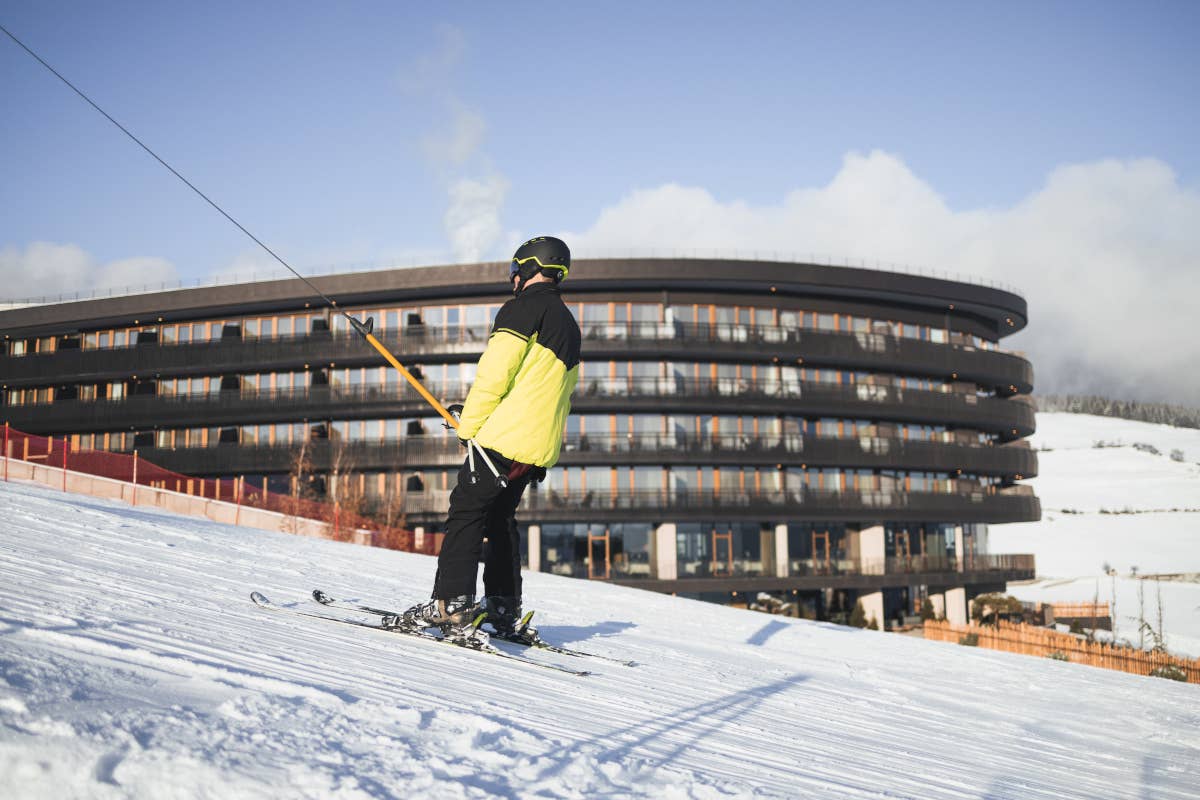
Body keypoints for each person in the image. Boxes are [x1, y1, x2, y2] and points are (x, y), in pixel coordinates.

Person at [402, 236, 581, 638]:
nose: (512, 278)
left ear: (528, 268)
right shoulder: (568, 323)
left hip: (504, 441)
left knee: (466, 511)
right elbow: (549, 393)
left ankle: (451, 605)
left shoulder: (522, 308)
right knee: (500, 519)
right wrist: (482, 422)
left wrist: (469, 427)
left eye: (515, 271)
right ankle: (502, 607)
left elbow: (494, 376)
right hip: (534, 448)